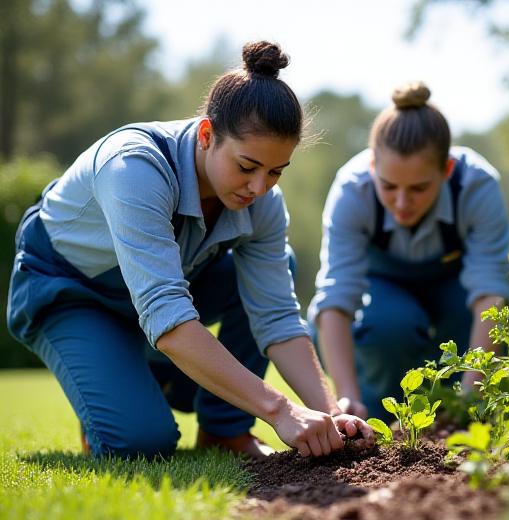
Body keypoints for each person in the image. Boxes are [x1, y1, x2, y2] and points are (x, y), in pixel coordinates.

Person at [7, 40, 373, 459]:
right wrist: (282, 410)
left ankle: (223, 430)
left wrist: (329, 414)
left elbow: (277, 317)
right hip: (69, 293)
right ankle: (114, 380)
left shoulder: (263, 203)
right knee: (142, 443)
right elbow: (167, 313)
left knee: (274, 268)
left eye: (275, 172)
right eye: (247, 166)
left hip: (158, 300)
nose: (259, 187)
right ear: (206, 135)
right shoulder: (133, 167)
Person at [308, 82, 509, 421]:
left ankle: (459, 413)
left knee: (476, 326)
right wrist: (344, 399)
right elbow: (335, 301)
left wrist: (470, 398)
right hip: (383, 291)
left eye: (419, 188)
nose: (402, 204)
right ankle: (378, 417)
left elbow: (491, 294)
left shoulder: (477, 186)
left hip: (457, 290)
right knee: (390, 325)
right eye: (389, 187)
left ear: (446, 171)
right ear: (373, 166)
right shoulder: (351, 191)